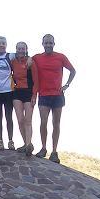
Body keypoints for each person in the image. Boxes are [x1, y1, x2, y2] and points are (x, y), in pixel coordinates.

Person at [31, 34, 76, 163]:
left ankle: (54, 151)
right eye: (46, 43)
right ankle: (43, 148)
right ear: (42, 44)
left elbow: (73, 71)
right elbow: (27, 61)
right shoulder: (37, 58)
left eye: (50, 43)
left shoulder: (61, 57)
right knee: (43, 122)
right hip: (43, 94)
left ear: (54, 44)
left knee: (56, 123)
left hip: (57, 95)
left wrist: (67, 85)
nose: (48, 45)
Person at [11, 41, 38, 156]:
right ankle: (26, 144)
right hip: (17, 92)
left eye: (23, 48)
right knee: (20, 120)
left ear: (26, 50)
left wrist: (34, 95)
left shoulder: (30, 62)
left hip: (28, 92)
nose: (21, 50)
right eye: (19, 48)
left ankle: (28, 144)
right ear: (16, 49)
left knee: (28, 120)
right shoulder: (13, 61)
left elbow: (36, 80)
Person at [0, 36, 15, 150]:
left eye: (3, 43)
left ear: (6, 44)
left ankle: (10, 141)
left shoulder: (10, 56)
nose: (1, 45)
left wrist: (29, 58)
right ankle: (0, 141)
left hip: (8, 90)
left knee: (9, 116)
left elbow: (23, 55)